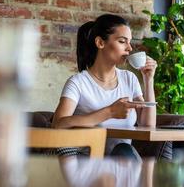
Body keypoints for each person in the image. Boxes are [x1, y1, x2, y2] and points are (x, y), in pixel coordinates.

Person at [52, 14, 157, 159]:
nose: (129, 48)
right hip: (87, 166)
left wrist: (148, 80)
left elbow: (148, 126)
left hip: (121, 162)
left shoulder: (129, 78)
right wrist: (110, 112)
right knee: (125, 151)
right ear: (100, 43)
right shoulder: (78, 82)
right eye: (122, 41)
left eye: (129, 42)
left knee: (124, 149)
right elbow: (58, 124)